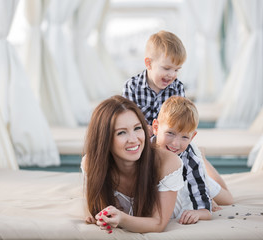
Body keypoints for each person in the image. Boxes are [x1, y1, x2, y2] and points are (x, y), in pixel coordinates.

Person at [81, 95, 185, 233]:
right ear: (104, 139)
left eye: (137, 128)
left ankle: (199, 157)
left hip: (184, 189)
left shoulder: (168, 162)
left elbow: (158, 224)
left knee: (221, 196)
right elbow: (92, 207)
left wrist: (123, 219)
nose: (134, 139)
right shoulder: (91, 163)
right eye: (121, 132)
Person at [152, 96, 234, 216]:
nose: (175, 143)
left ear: (192, 137)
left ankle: (203, 158)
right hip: (174, 182)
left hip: (189, 175)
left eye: (185, 137)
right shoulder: (144, 150)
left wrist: (201, 209)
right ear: (156, 128)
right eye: (170, 133)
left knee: (228, 200)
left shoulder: (191, 160)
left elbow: (203, 209)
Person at [122, 30, 186, 134]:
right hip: (139, 139)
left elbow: (181, 120)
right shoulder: (132, 86)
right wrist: (141, 127)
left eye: (176, 70)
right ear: (149, 63)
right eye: (166, 68)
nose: (172, 74)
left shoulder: (177, 88)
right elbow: (125, 118)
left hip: (167, 141)